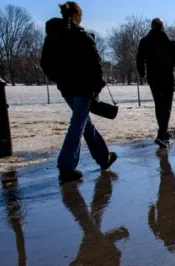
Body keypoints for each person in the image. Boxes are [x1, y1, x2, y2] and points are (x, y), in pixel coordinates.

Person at [41, 2, 117, 184]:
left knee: (84, 124)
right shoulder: (82, 36)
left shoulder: (53, 36)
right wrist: (96, 87)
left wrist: (61, 79)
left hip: (67, 89)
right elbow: (96, 65)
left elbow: (46, 64)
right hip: (83, 88)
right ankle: (66, 167)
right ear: (78, 16)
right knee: (77, 126)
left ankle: (103, 158)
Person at [136, 19, 175, 148]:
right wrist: (168, 63)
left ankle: (164, 133)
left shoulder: (145, 41)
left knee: (159, 104)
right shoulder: (169, 41)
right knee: (166, 106)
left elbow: (139, 58)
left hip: (153, 77)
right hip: (167, 76)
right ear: (163, 27)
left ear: (151, 27)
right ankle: (161, 135)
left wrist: (142, 72)